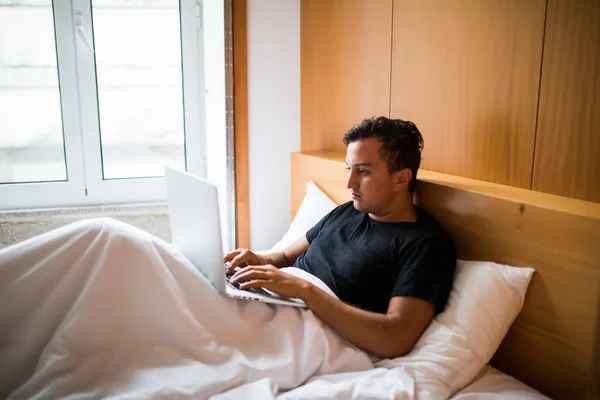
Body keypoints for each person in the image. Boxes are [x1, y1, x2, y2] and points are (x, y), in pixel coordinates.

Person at [225, 116, 456, 359]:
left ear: (401, 178)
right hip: (279, 302)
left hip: (310, 330)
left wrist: (305, 291)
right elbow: (285, 256)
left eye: (363, 171)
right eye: (349, 169)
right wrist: (258, 262)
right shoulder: (348, 210)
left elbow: (395, 338)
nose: (349, 183)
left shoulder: (426, 244)